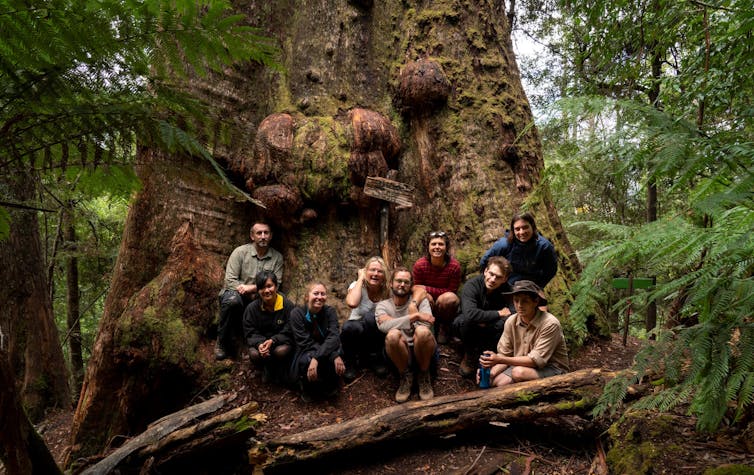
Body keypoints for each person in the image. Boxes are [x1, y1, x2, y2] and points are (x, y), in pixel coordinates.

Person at [478, 280, 569, 387]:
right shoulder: (511, 321)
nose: (519, 305)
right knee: (495, 382)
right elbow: (505, 354)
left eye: (525, 301)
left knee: (518, 373)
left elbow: (535, 361)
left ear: (535, 302)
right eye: (516, 301)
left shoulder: (550, 323)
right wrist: (491, 373)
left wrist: (499, 359)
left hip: (552, 369)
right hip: (521, 365)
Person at [216, 221, 284, 360]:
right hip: (237, 294)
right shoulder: (240, 252)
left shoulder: (277, 257)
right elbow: (230, 280)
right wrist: (244, 290)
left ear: (271, 236)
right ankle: (222, 342)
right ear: (252, 236)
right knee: (232, 301)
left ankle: (265, 344)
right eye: (259, 233)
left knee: (281, 300)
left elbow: (278, 282)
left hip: (261, 296)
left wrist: (253, 288)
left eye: (266, 233)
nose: (263, 236)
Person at [376, 268, 437, 403]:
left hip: (422, 349)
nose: (402, 285)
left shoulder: (421, 301)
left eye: (406, 282)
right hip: (398, 352)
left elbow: (427, 325)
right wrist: (415, 316)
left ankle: (424, 375)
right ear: (391, 283)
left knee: (422, 332)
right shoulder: (383, 306)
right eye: (398, 281)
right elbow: (383, 327)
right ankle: (405, 376)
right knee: (392, 335)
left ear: (411, 286)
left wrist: (394, 321)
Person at [453, 256, 514, 378]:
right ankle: (469, 355)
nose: (492, 279)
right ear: (485, 271)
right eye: (491, 274)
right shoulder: (472, 285)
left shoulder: (508, 290)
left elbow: (513, 313)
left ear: (505, 279)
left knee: (507, 323)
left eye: (498, 277)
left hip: (492, 329)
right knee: (465, 321)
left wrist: (487, 320)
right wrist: (498, 314)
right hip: (468, 326)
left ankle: (490, 355)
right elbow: (470, 314)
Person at [290, 282, 346, 402]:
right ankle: (307, 388)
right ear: (307, 296)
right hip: (306, 350)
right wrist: (318, 357)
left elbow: (334, 336)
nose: (319, 297)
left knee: (337, 354)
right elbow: (305, 342)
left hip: (328, 348)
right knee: (307, 360)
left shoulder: (330, 311)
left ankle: (330, 386)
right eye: (316, 293)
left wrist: (330, 355)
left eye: (323, 294)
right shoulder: (297, 314)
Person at [340, 257, 390, 382]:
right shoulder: (357, 286)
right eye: (372, 270)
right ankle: (350, 362)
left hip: (378, 335)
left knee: (372, 317)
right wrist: (361, 278)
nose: (375, 274)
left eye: (380, 271)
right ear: (365, 271)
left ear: (384, 275)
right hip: (357, 333)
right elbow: (351, 303)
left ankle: (376, 359)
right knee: (350, 326)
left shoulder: (388, 290)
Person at [479, 212, 558, 289]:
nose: (522, 232)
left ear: (532, 226)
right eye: (517, 229)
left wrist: (539, 286)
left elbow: (551, 270)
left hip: (530, 287)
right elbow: (484, 261)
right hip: (505, 285)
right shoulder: (503, 245)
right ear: (513, 231)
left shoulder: (544, 247)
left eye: (525, 227)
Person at [242, 271, 294, 384]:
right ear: (258, 290)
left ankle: (280, 369)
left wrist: (273, 341)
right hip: (262, 345)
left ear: (276, 286)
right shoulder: (252, 309)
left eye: (269, 286)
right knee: (254, 354)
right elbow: (250, 332)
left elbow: (290, 329)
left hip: (280, 343)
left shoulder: (287, 306)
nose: (266, 291)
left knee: (281, 351)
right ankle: (265, 368)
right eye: (262, 288)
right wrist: (260, 344)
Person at [411, 231, 461, 344]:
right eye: (433, 244)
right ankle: (428, 327)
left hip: (444, 305)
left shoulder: (454, 266)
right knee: (425, 297)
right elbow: (416, 289)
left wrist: (427, 289)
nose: (437, 247)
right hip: (428, 303)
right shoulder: (420, 265)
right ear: (428, 247)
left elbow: (452, 291)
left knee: (449, 298)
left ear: (446, 247)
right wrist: (426, 293)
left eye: (441, 244)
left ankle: (444, 327)